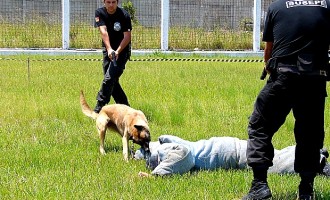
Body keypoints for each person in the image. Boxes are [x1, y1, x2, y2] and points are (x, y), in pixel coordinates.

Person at [243, 1, 330, 200]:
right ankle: (306, 190)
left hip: (283, 78)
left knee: (260, 127)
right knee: (310, 135)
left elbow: (269, 51)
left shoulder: (277, 7)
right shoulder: (327, 5)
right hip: (315, 80)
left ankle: (259, 186)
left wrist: (269, 68)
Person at [134, 135, 330, 178]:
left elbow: (184, 157)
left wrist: (155, 175)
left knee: (275, 165)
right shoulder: (164, 145)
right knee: (275, 157)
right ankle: (312, 151)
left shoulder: (167, 148)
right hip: (234, 150)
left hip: (235, 153)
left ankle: (319, 163)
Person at [93, 0, 132, 113]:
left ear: (117, 2)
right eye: (108, 2)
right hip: (108, 50)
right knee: (112, 81)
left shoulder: (124, 15)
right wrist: (109, 49)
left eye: (113, 2)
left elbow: (127, 37)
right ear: (104, 2)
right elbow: (103, 32)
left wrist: (118, 51)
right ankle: (126, 108)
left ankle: (99, 108)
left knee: (109, 79)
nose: (111, 5)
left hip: (122, 51)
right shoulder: (100, 13)